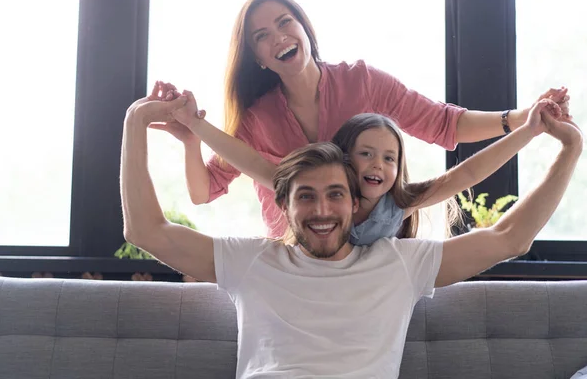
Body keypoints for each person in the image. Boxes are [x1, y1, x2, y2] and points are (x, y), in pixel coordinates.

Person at [121, 93, 582, 378]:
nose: (322, 210)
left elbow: (509, 238)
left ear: (355, 197)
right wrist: (136, 121)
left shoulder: (398, 262)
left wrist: (569, 147)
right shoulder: (251, 261)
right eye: (305, 197)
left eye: (335, 194)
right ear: (283, 203)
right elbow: (147, 230)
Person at [148, 0, 570, 238]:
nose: (278, 37)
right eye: (262, 36)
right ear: (257, 57)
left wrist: (523, 120)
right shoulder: (258, 119)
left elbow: (446, 126)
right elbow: (205, 191)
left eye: (284, 22)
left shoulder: (363, 83)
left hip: (370, 262)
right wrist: (191, 137)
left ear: (304, 28)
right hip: (297, 259)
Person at [149, 82, 563, 244]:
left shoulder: (398, 203)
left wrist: (528, 130)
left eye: (389, 158)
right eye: (366, 153)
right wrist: (192, 124)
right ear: (346, 160)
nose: (377, 164)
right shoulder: (320, 196)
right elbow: (252, 161)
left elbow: (468, 173)